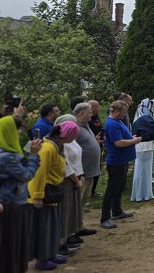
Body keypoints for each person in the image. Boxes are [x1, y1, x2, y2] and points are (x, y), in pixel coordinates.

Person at [28, 119, 80, 271]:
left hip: (54, 192)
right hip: (45, 193)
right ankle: (42, 258)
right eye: (73, 137)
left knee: (53, 227)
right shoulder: (48, 149)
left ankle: (51, 253)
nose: (73, 140)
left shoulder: (58, 146)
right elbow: (39, 172)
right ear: (66, 136)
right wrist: (38, 195)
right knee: (45, 227)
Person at [0, 111, 41, 273]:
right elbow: (26, 175)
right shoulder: (7, 157)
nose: (19, 133)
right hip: (11, 206)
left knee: (5, 246)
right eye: (17, 130)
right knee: (11, 246)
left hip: (5, 203)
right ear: (8, 131)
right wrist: (34, 155)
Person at [101, 100, 140, 229]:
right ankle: (105, 217)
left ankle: (117, 211)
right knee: (111, 189)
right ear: (116, 111)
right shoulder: (112, 124)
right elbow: (118, 143)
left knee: (119, 187)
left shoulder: (117, 122)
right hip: (116, 161)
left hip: (122, 160)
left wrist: (130, 137)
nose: (124, 116)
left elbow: (123, 137)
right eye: (122, 113)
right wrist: (133, 141)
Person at [53, 114, 84, 256]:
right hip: (67, 179)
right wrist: (76, 179)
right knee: (64, 212)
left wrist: (80, 175)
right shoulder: (60, 145)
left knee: (71, 210)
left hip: (74, 177)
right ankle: (60, 244)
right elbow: (65, 164)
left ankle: (67, 238)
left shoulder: (68, 142)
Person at [72, 102, 99, 236]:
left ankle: (79, 226)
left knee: (84, 201)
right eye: (89, 112)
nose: (92, 114)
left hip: (90, 171)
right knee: (77, 202)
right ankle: (73, 230)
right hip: (82, 172)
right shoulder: (75, 127)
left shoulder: (86, 125)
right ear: (81, 114)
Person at [130, 98, 154, 202]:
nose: (153, 108)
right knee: (143, 172)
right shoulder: (145, 118)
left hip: (143, 147)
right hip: (145, 147)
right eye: (151, 106)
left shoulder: (141, 117)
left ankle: (144, 194)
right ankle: (142, 195)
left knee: (144, 172)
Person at [87, 100, 104, 197]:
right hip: (92, 146)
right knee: (92, 171)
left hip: (99, 145)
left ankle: (93, 191)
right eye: (97, 106)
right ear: (91, 107)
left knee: (98, 169)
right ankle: (89, 191)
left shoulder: (96, 117)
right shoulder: (89, 119)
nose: (99, 108)